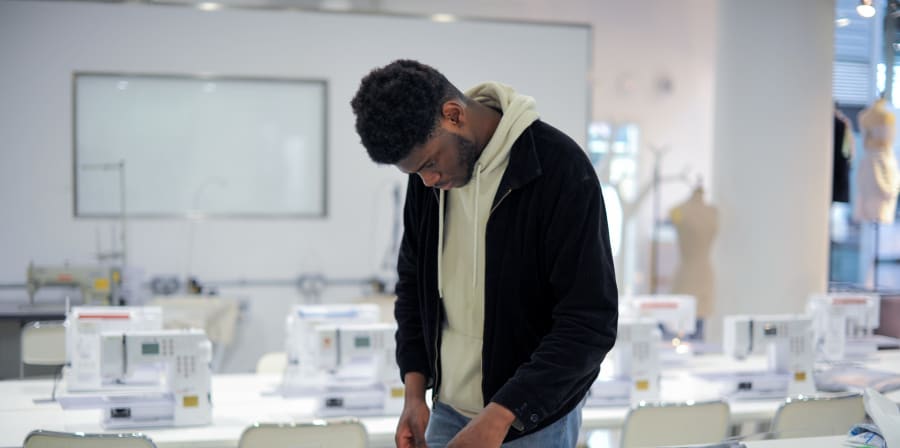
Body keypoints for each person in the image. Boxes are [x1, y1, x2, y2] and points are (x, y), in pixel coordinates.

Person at [350, 60, 618, 448]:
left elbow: (590, 322)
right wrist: (414, 391)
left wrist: (500, 416)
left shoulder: (558, 169)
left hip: (531, 421)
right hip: (446, 415)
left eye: (429, 164)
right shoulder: (428, 183)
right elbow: (412, 286)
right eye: (415, 174)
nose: (428, 182)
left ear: (454, 115)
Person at [668, 185, 718, 338]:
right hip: (686, 271)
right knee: (681, 324)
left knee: (700, 322)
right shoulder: (677, 211)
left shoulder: (714, 211)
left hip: (702, 272)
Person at [855, 97, 900, 224]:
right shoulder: (886, 116)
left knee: (877, 202)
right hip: (881, 161)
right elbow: (888, 140)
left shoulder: (865, 116)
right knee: (877, 201)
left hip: (872, 161)